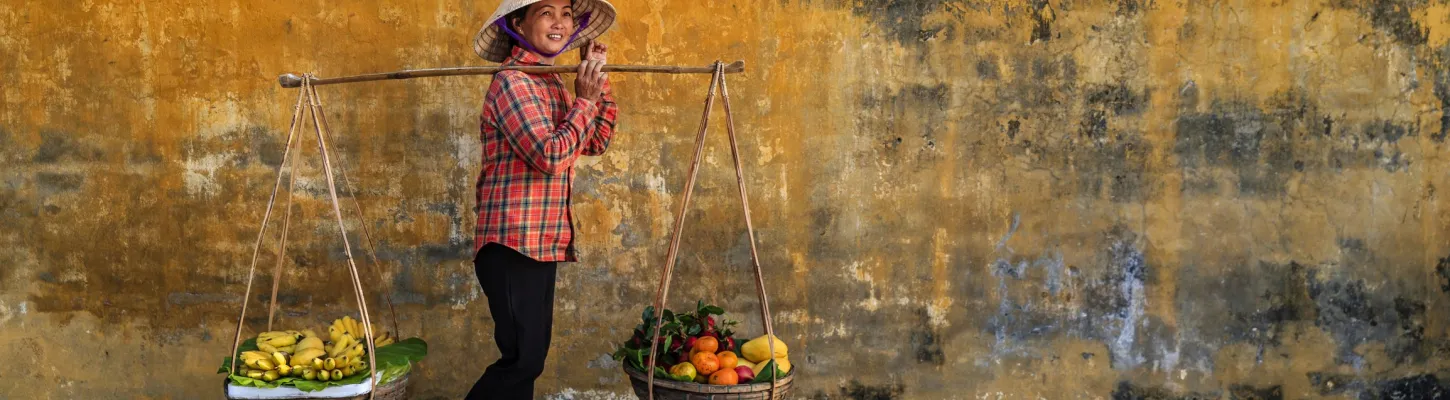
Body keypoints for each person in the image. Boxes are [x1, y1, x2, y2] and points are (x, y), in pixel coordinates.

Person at [467, 0, 617, 398]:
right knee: (523, 360)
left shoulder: (550, 82)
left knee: (528, 360)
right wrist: (585, 101)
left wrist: (597, 82)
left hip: (540, 241)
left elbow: (595, 141)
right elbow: (550, 156)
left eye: (566, 14)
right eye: (546, 12)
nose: (560, 23)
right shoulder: (512, 81)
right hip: (513, 241)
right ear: (519, 24)